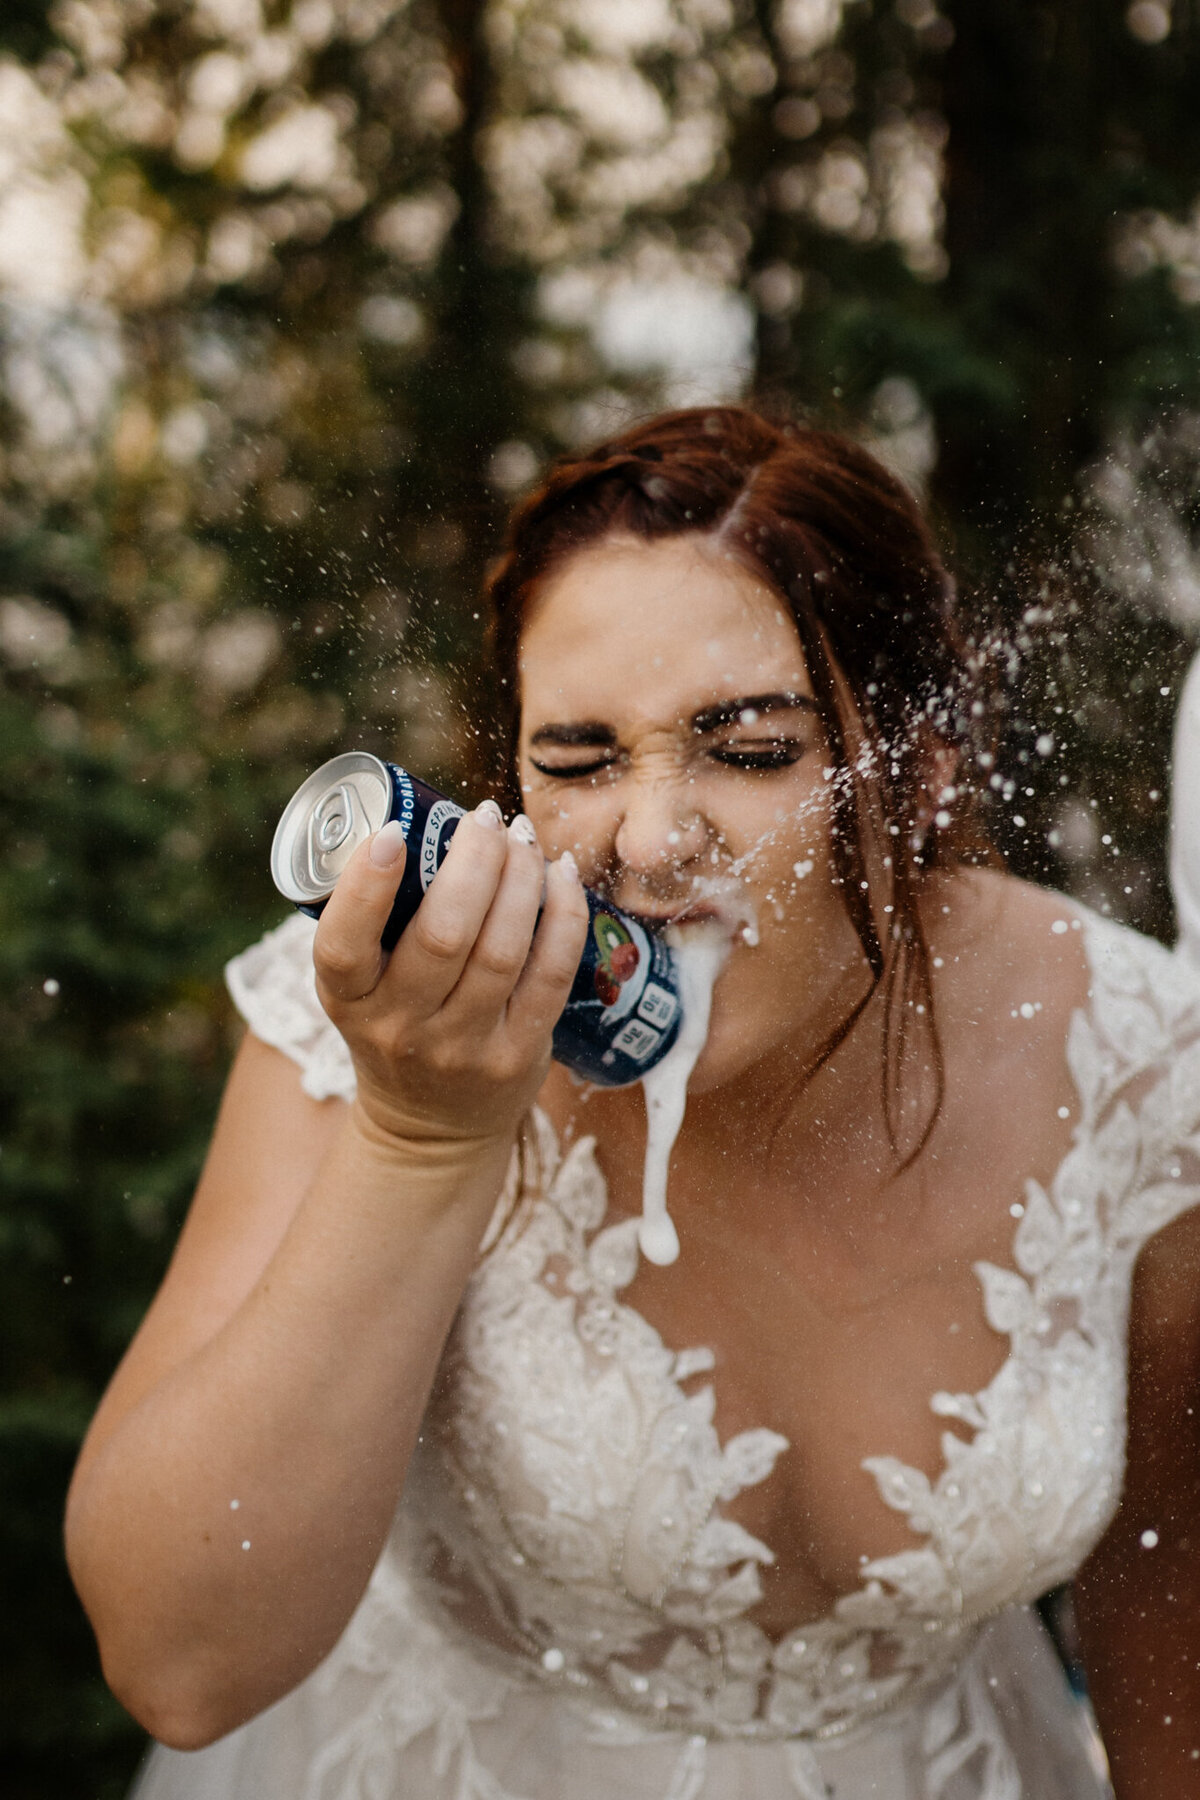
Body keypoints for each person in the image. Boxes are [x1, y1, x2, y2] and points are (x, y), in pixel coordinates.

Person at [64, 407, 1200, 1800]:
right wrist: (421, 1141)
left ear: (919, 767)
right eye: (582, 762)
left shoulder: (1137, 1058)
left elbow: (1171, 1598)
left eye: (752, 748)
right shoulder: (374, 1024)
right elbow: (177, 1663)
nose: (653, 847)